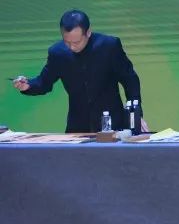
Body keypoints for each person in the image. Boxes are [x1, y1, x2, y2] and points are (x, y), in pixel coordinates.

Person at [11, 9, 143, 133]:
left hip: (113, 123)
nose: (72, 47)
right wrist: (27, 86)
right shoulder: (58, 53)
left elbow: (130, 80)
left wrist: (136, 116)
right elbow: (44, 83)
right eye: (67, 42)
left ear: (88, 32)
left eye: (77, 42)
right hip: (77, 127)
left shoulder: (109, 46)